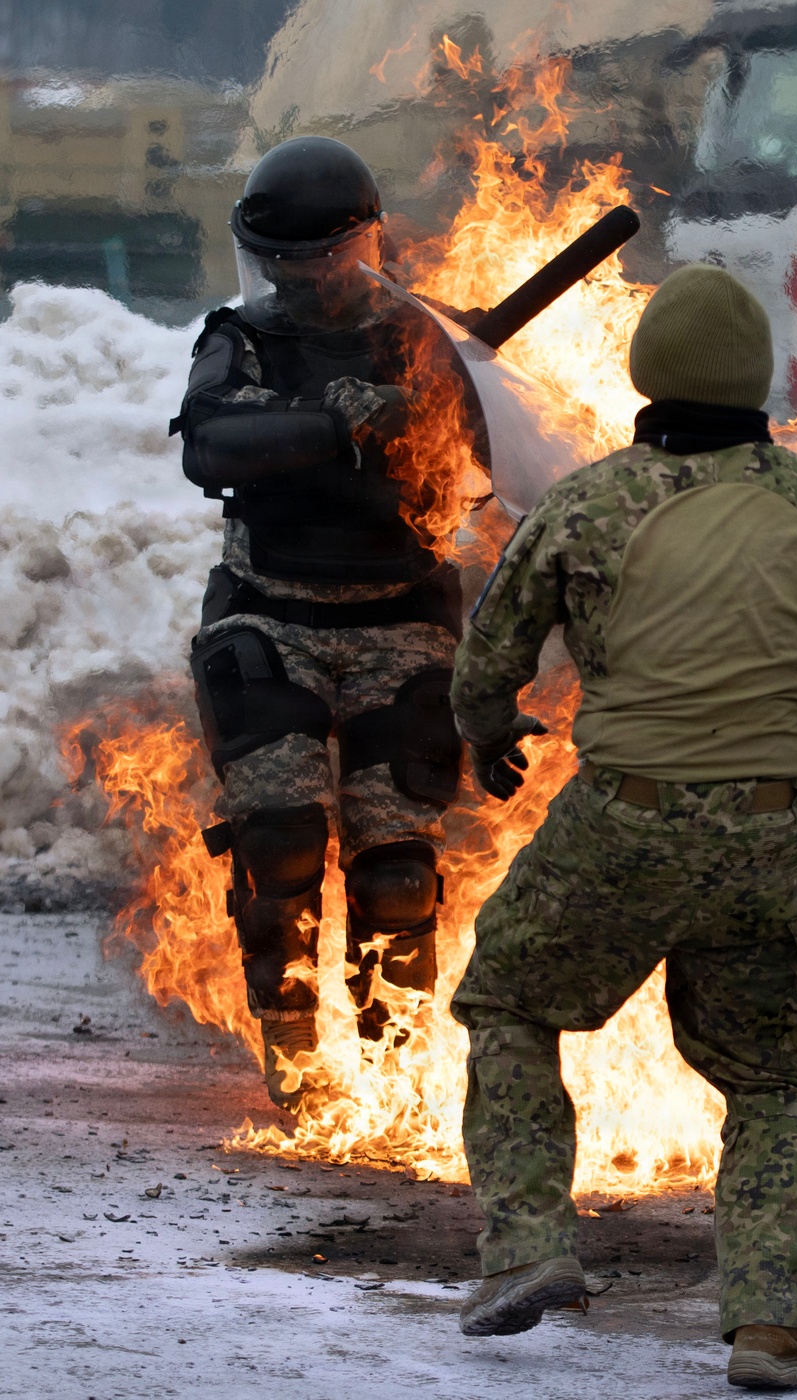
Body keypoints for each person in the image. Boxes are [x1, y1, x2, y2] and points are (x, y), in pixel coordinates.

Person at [448, 264, 797, 1388]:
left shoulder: (587, 503)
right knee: (771, 1076)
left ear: (647, 377)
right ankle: (772, 1323)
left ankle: (528, 1250)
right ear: (756, 383)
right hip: (761, 834)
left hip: (618, 818)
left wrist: (488, 732)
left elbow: (489, 653)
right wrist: (758, 798)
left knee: (507, 997)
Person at [171, 137, 470, 1107]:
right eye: (283, 266)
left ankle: (392, 1079)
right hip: (272, 617)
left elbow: (489, 447)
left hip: (400, 624)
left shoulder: (425, 339)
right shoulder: (241, 338)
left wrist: (416, 411)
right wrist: (334, 424)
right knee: (280, 850)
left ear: (365, 245)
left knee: (395, 875)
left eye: (323, 261)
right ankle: (296, 1064)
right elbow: (209, 439)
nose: (304, 283)